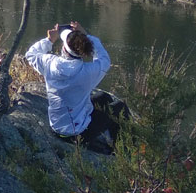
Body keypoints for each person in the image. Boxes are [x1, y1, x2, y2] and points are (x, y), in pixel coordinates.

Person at [24, 21, 124, 153]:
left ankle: (115, 143)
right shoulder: (88, 72)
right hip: (78, 135)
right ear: (82, 53)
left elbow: (30, 55)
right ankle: (123, 150)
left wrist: (49, 40)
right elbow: (104, 59)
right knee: (120, 107)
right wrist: (86, 37)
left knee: (104, 98)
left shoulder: (49, 63)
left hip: (57, 127)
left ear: (64, 49)